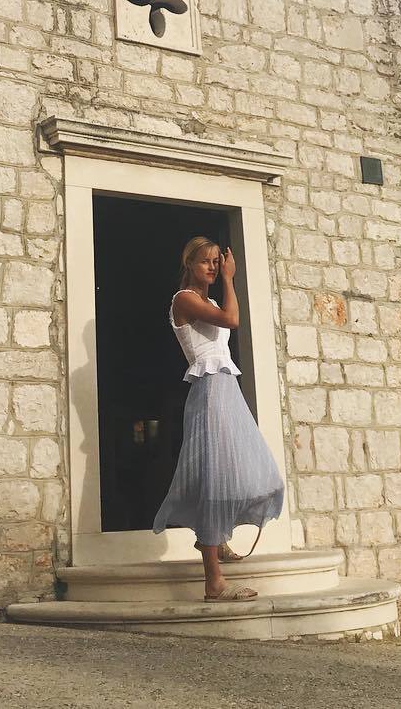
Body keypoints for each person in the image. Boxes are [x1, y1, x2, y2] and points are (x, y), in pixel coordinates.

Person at [152, 236, 284, 601]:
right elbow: (232, 319)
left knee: (235, 466)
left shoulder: (207, 301)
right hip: (210, 388)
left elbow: (225, 320)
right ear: (189, 264)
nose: (213, 266)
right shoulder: (184, 299)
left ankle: (216, 537)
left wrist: (224, 282)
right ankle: (214, 581)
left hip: (225, 386)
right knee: (213, 473)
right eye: (206, 261)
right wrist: (229, 278)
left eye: (216, 261)